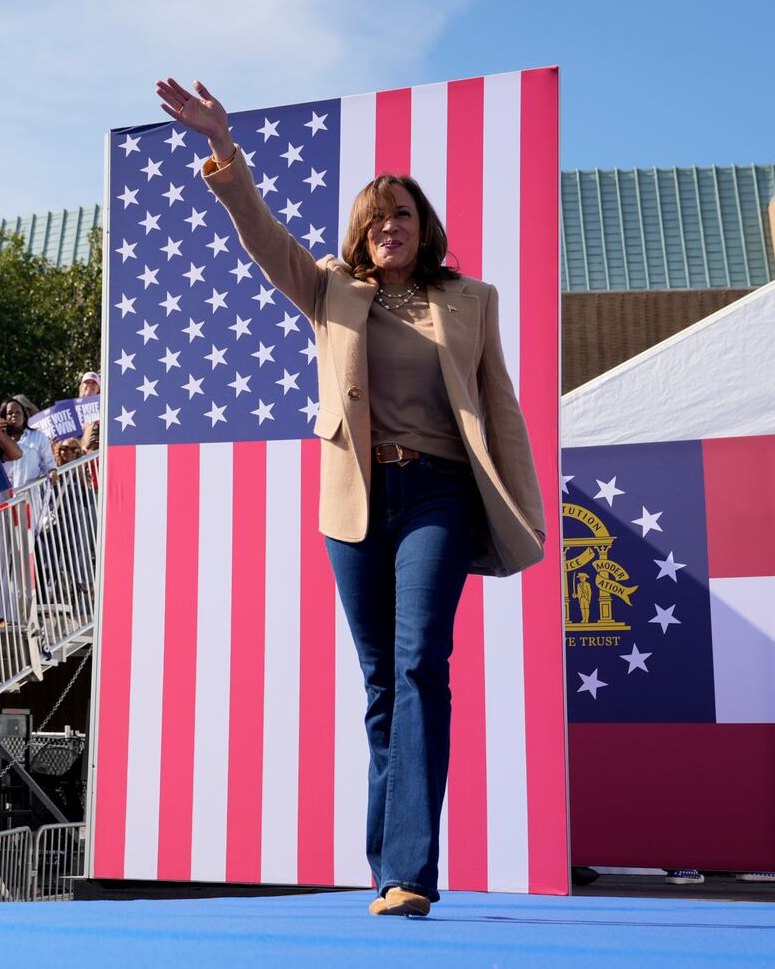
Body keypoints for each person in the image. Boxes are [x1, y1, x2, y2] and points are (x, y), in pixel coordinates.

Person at [159, 77, 545, 918]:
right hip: (357, 500)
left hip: (439, 493)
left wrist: (518, 503)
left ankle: (409, 870)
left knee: (419, 664)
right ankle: (389, 861)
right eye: (375, 218)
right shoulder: (332, 289)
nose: (388, 227)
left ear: (423, 226)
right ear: (360, 235)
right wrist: (223, 148)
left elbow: (501, 404)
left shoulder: (471, 300)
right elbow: (261, 235)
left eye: (401, 214)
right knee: (380, 680)